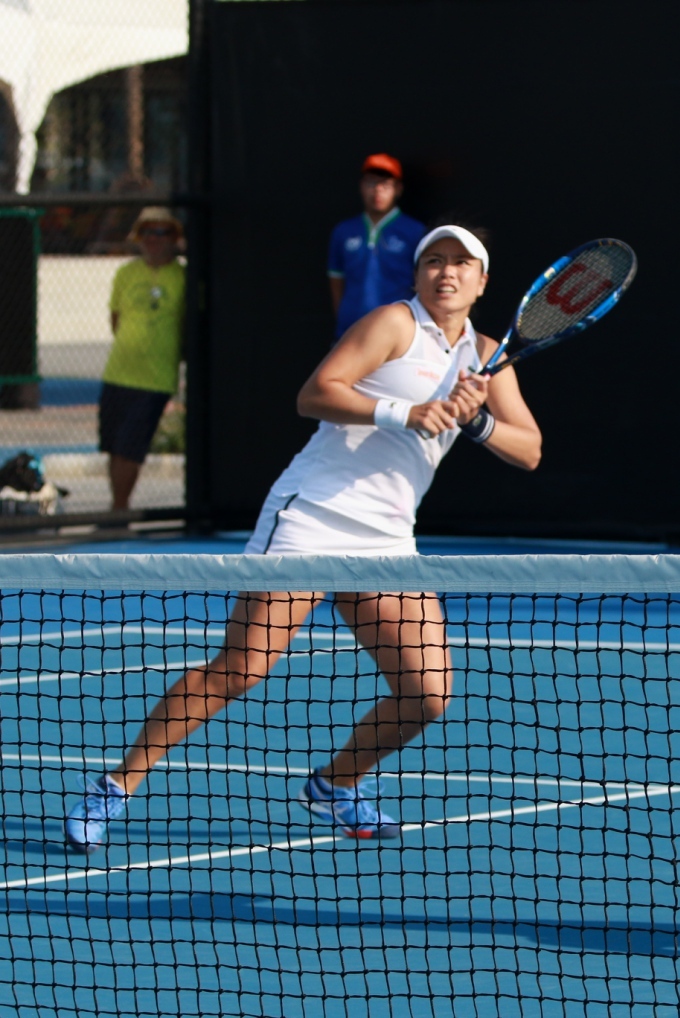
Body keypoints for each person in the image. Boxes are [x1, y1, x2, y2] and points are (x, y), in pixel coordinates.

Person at [64, 224, 542, 852]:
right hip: (312, 517)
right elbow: (315, 394)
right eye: (433, 260)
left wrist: (476, 420)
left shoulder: (485, 357)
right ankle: (115, 788)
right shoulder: (392, 324)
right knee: (241, 670)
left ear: (482, 282)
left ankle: (336, 785)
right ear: (418, 272)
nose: (445, 273)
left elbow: (529, 449)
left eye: (460, 263)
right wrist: (408, 411)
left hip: (388, 542)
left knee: (427, 694)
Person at [100, 206, 186, 510]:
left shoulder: (183, 277)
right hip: (117, 372)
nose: (154, 238)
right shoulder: (126, 273)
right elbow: (115, 319)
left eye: (162, 232)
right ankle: (117, 508)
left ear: (175, 238)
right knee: (113, 446)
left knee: (130, 447)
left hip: (155, 377)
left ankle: (119, 510)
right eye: (147, 232)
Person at [328, 153, 427, 342]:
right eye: (371, 183)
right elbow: (336, 280)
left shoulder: (415, 231)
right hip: (349, 331)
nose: (377, 190)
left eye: (385, 184)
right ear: (361, 186)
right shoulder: (343, 231)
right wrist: (343, 317)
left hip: (396, 334)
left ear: (398, 189)